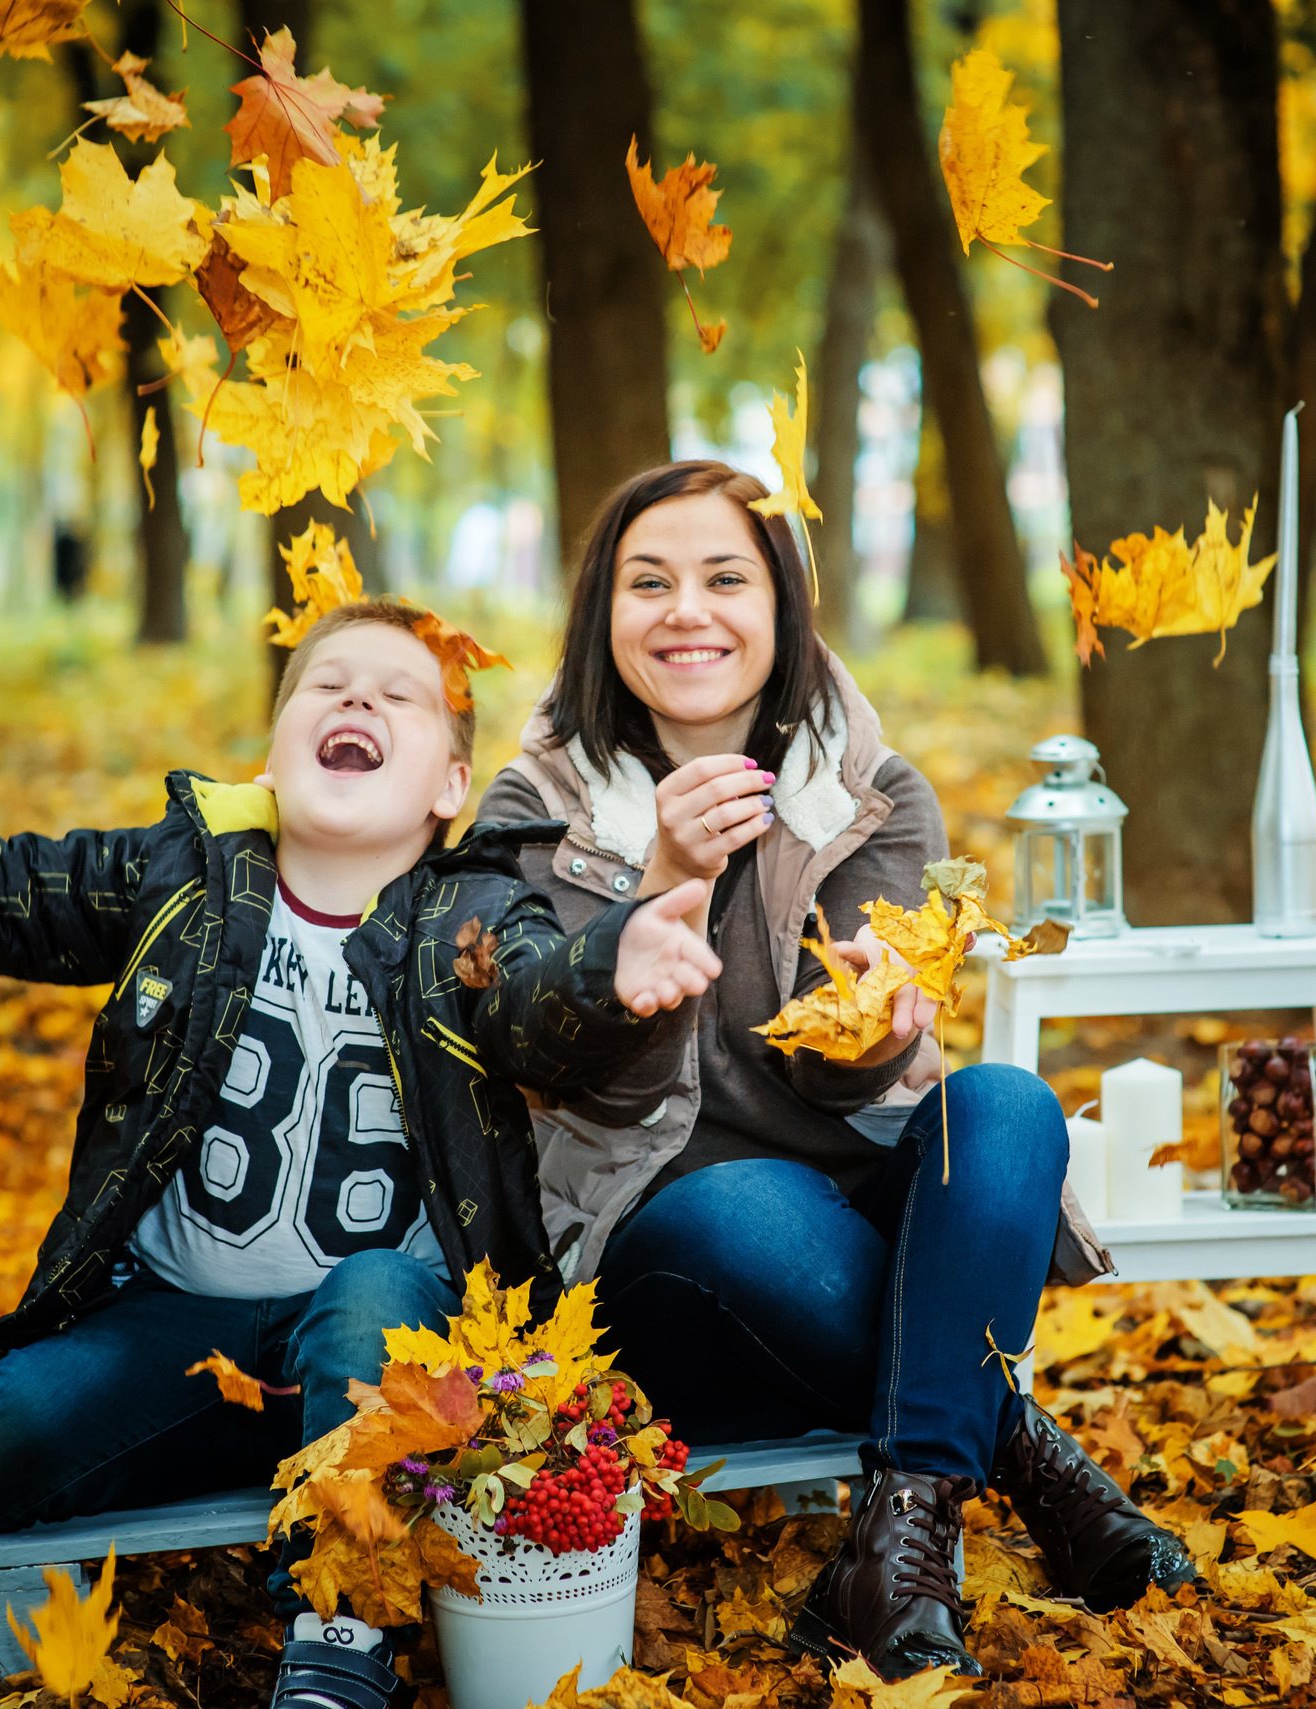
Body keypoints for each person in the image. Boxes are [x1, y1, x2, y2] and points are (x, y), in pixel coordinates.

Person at [0, 601, 717, 1705]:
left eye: (398, 697)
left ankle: (340, 1621)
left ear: (452, 784)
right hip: (179, 1325)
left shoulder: (471, 914)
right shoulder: (185, 881)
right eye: (326, 683)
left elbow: (535, 1003)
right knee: (2, 1413)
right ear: (271, 752)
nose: (354, 700)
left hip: (385, 1356)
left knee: (372, 1293)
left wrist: (607, 966)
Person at [479, 463, 1195, 1681]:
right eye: (647, 581)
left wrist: (869, 1033)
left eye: (725, 577)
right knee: (735, 1208)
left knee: (1008, 1110)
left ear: (783, 605)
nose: (686, 609)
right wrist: (658, 885)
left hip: (854, 1206)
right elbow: (536, 1051)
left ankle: (899, 1529)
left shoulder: (870, 795)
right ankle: (1014, 1442)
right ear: (602, 611)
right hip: (667, 1255)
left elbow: (847, 1085)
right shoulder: (533, 808)